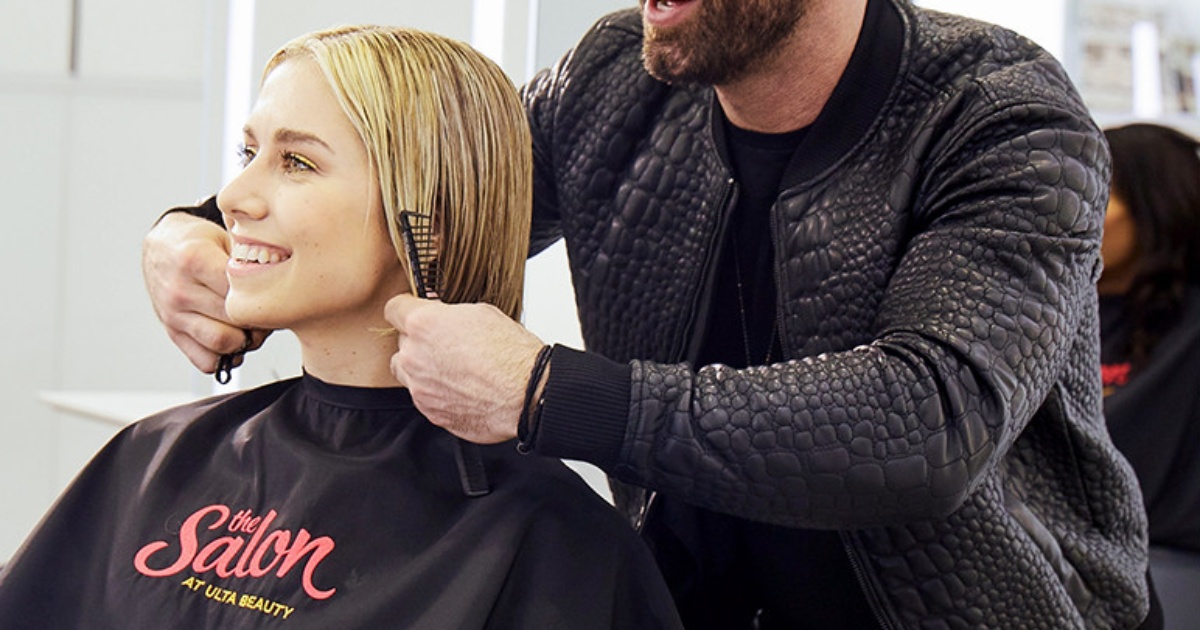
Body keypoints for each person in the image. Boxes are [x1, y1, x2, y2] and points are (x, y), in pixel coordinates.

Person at [141, 1, 1159, 628]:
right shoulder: (611, 81)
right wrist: (200, 225)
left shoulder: (1001, 114)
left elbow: (927, 426)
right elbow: (432, 188)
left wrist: (548, 394)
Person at [0, 25, 683, 630]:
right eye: (249, 154)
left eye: (297, 162)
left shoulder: (548, 546)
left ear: (430, 223)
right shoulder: (153, 458)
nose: (233, 199)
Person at [1099, 122, 1200, 627]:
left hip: (1173, 572)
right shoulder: (1052, 319)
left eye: (1099, 190)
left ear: (1152, 204)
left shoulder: (1189, 323)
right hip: (1067, 567)